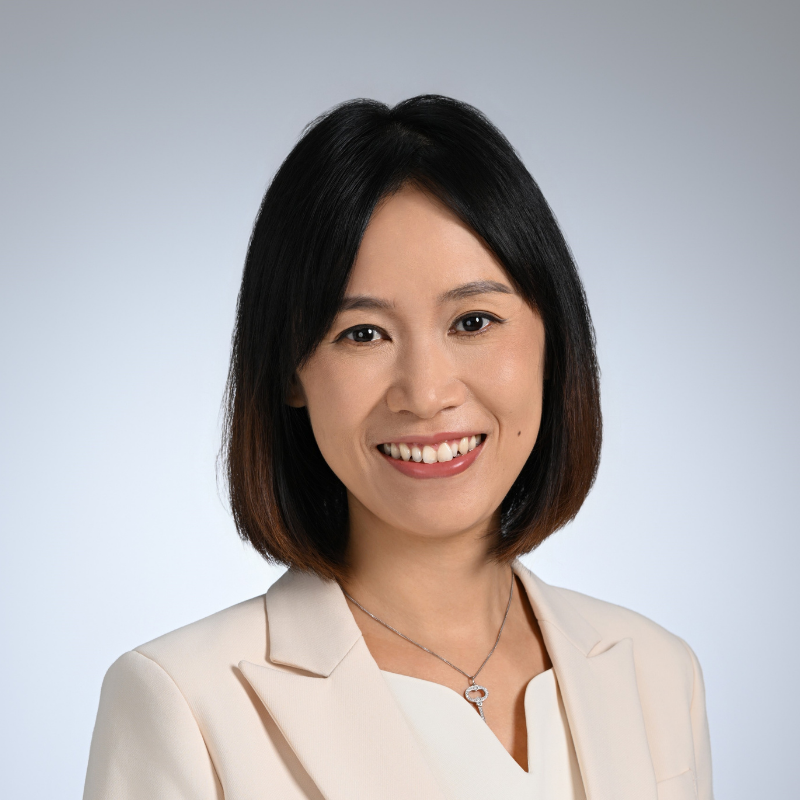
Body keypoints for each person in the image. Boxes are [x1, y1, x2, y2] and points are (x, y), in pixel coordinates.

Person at [83, 95, 713, 800]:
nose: (426, 392)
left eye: (473, 321)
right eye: (363, 334)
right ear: (290, 372)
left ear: (552, 341)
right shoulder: (186, 705)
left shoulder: (657, 674)